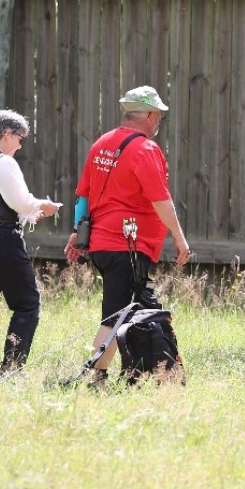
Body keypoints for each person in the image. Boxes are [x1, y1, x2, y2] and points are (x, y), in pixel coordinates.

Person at [64, 85, 192, 387]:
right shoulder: (146, 150)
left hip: (100, 244)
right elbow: (161, 200)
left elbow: (83, 195)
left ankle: (143, 374)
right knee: (117, 316)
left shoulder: (102, 144)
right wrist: (179, 236)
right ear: (148, 114)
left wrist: (76, 231)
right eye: (157, 114)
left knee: (139, 309)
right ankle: (95, 379)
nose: (158, 120)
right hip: (127, 245)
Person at [0, 109, 63, 376]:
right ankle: (12, 371)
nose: (20, 144)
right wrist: (45, 206)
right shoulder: (3, 162)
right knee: (27, 303)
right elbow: (23, 203)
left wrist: (28, 211)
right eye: (19, 137)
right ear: (6, 134)